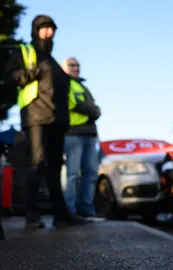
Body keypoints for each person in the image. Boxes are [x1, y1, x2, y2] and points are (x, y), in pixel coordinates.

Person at [4, 15, 87, 229]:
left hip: (57, 121)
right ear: (35, 30)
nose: (48, 33)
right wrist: (34, 72)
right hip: (36, 117)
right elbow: (11, 76)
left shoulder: (54, 62)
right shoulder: (25, 52)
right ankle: (32, 215)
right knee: (37, 163)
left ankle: (61, 215)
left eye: (51, 29)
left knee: (55, 167)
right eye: (44, 29)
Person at [61, 57, 101, 218]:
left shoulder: (83, 87)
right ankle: (69, 209)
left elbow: (93, 108)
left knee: (91, 172)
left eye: (77, 65)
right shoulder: (64, 84)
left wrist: (92, 109)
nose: (75, 68)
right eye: (71, 65)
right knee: (72, 173)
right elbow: (74, 104)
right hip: (73, 134)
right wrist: (92, 110)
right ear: (64, 68)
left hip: (90, 135)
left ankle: (86, 208)